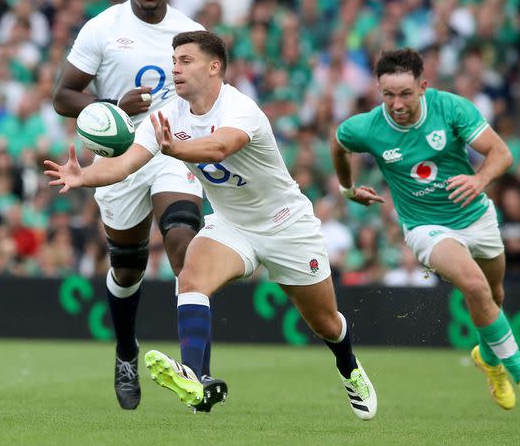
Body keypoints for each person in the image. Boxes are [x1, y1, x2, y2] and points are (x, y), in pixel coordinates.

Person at [45, 30, 377, 419]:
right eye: (174, 61)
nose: (175, 69)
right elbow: (125, 163)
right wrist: (85, 176)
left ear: (214, 66)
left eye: (186, 61)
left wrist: (174, 149)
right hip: (231, 225)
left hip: (286, 225)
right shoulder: (167, 116)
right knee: (190, 279)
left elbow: (220, 146)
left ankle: (349, 367)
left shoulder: (240, 108)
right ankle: (195, 376)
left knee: (325, 323)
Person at [330, 48, 520, 415]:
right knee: (475, 284)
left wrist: (480, 179)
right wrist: (347, 189)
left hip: (476, 217)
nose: (396, 103)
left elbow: (502, 154)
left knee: (493, 295)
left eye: (404, 93)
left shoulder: (451, 109)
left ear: (423, 87)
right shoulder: (368, 127)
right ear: (378, 91)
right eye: (388, 94)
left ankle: (489, 359)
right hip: (425, 227)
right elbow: (338, 145)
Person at [51, 0, 220, 411]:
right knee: (128, 268)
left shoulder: (190, 33)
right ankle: (127, 352)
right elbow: (64, 96)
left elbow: (211, 96)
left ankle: (197, 371)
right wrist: (111, 105)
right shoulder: (102, 28)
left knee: (184, 238)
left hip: (171, 148)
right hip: (119, 154)